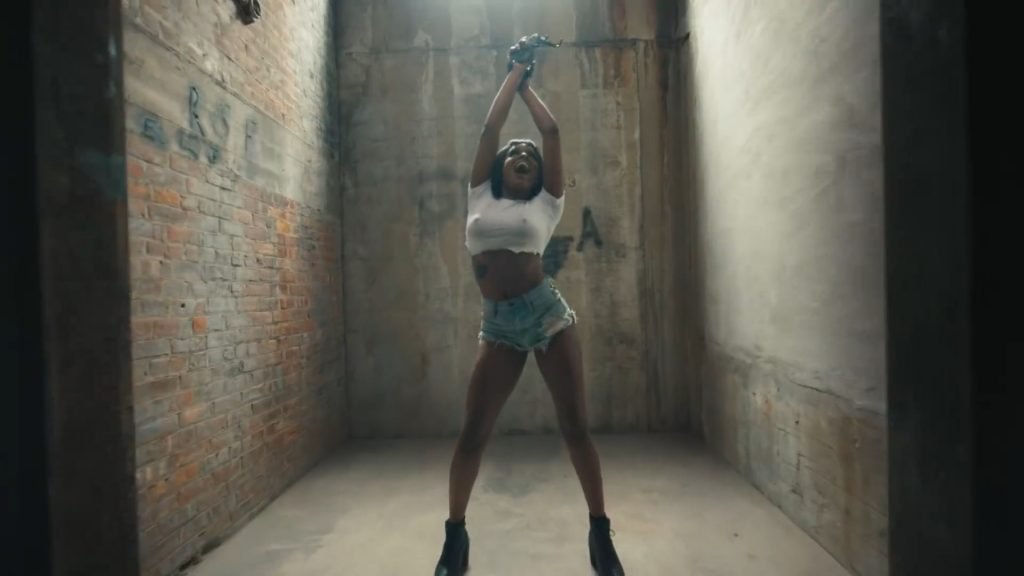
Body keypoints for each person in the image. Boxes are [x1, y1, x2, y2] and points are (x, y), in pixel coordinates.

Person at [433, 41, 626, 576]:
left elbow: (552, 133)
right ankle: (454, 541)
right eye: (514, 153)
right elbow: (489, 129)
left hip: (547, 318)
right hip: (498, 326)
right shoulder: (479, 195)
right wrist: (514, 70)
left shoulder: (547, 203)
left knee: (575, 427)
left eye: (530, 157)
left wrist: (527, 86)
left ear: (539, 175)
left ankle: (601, 535)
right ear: (499, 167)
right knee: (474, 432)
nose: (523, 154)